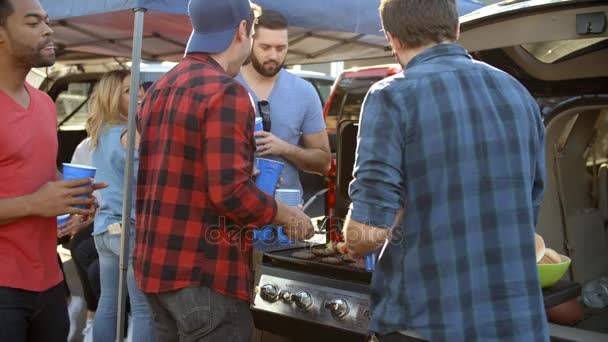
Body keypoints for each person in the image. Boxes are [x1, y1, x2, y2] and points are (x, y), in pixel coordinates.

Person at [343, 0, 548, 341]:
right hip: (517, 323)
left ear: (392, 39)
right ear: (456, 30)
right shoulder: (519, 93)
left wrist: (354, 239)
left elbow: (367, 232)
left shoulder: (392, 95)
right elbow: (530, 206)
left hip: (426, 324)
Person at [135, 0, 315, 341]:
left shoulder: (160, 89)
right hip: (205, 275)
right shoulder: (227, 93)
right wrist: (285, 215)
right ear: (243, 30)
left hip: (155, 271)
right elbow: (230, 192)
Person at [0, 0, 104, 340]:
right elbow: (36, 198)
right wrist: (35, 204)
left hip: (50, 283)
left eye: (47, 21)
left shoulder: (45, 103)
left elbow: (43, 179)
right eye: (33, 23)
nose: (48, 29)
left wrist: (74, 202)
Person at [236, 9, 331, 204]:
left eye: (281, 48)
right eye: (265, 47)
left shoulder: (304, 91)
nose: (273, 55)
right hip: (235, 215)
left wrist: (284, 148)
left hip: (286, 218)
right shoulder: (228, 83)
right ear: (250, 42)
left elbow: (324, 162)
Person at [87, 70, 154, 342]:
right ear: (113, 98)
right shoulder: (130, 132)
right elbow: (149, 177)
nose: (139, 93)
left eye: (139, 87)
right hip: (130, 229)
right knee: (143, 309)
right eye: (129, 90)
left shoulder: (101, 132)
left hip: (105, 229)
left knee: (109, 303)